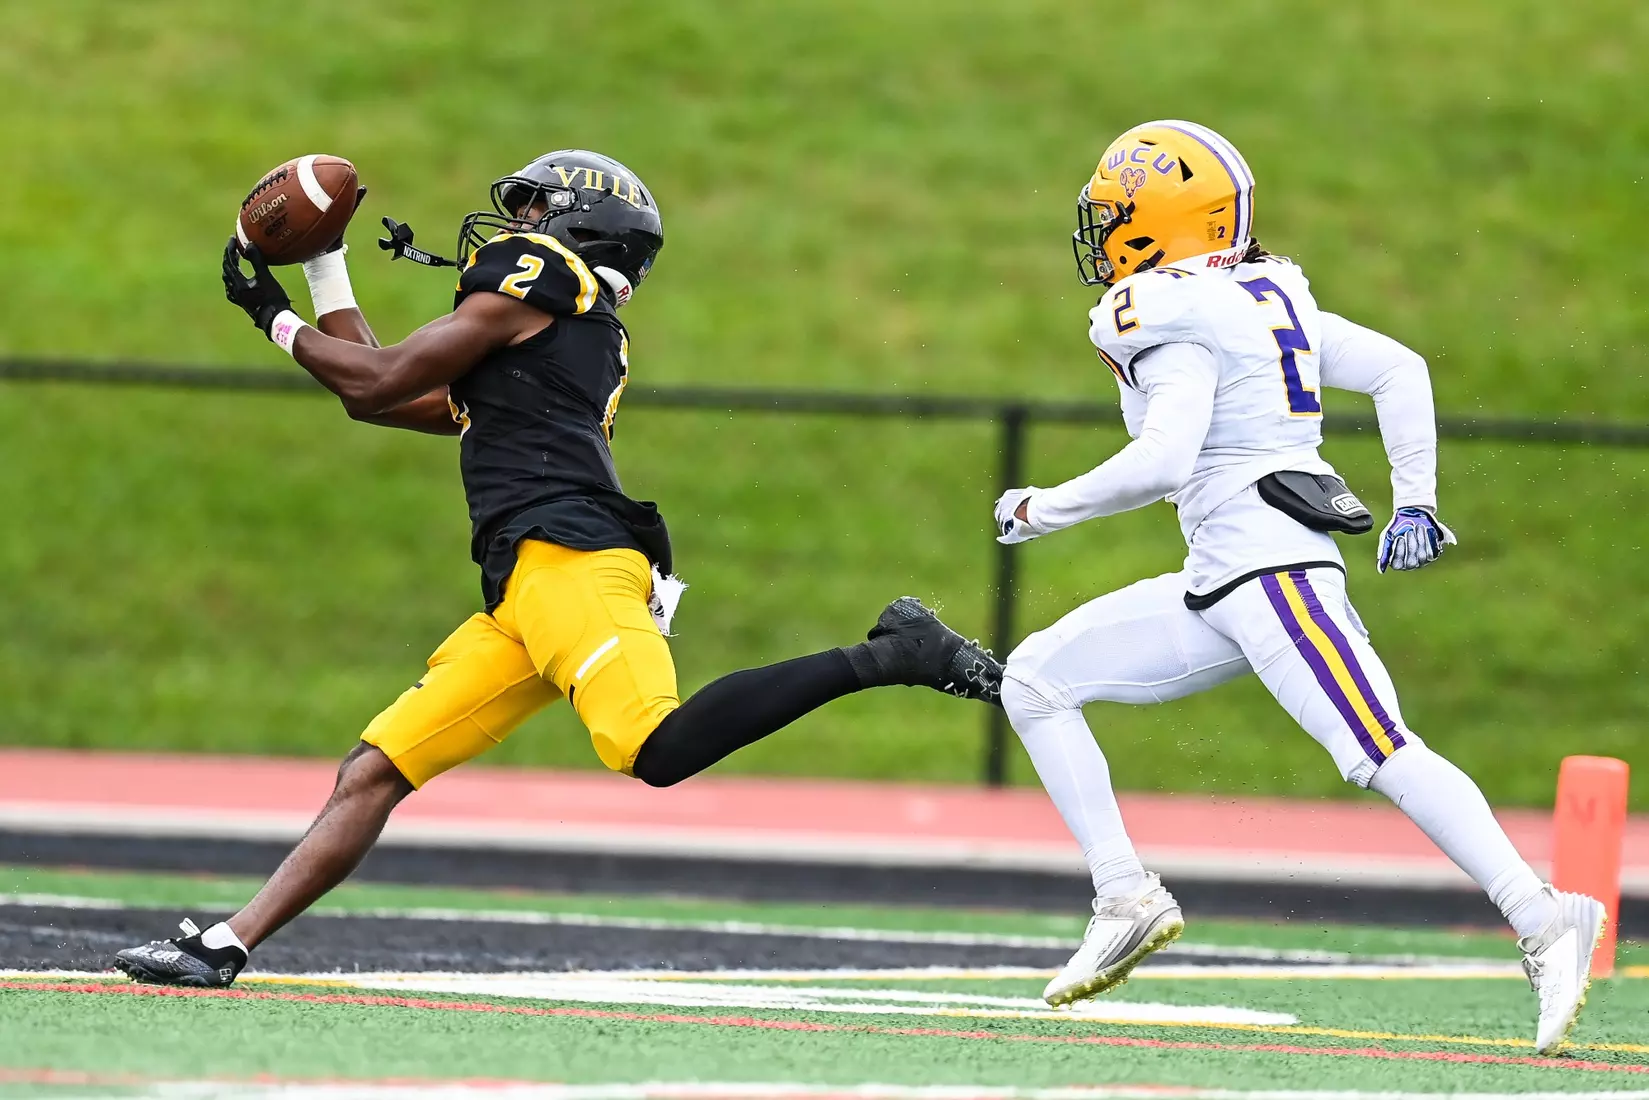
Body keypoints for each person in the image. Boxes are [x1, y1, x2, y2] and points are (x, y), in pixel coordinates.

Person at [114, 149, 1000, 988]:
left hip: (572, 562)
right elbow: (390, 395)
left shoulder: (543, 287)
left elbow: (373, 382)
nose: (516, 223)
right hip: (522, 590)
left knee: (655, 750)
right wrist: (323, 269)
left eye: (536, 207)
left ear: (578, 227)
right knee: (375, 768)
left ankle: (895, 654)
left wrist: (269, 316)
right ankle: (227, 945)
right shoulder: (557, 329)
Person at [992, 121, 1603, 1055]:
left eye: (1114, 215)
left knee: (1376, 748)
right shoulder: (1257, 287)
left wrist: (1042, 508)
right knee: (1034, 679)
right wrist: (1414, 500)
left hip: (1268, 568)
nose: (1101, 231)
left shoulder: (1170, 309)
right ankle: (1124, 893)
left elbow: (1163, 457)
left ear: (1161, 222)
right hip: (1224, 575)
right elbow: (1400, 370)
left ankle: (1543, 915)